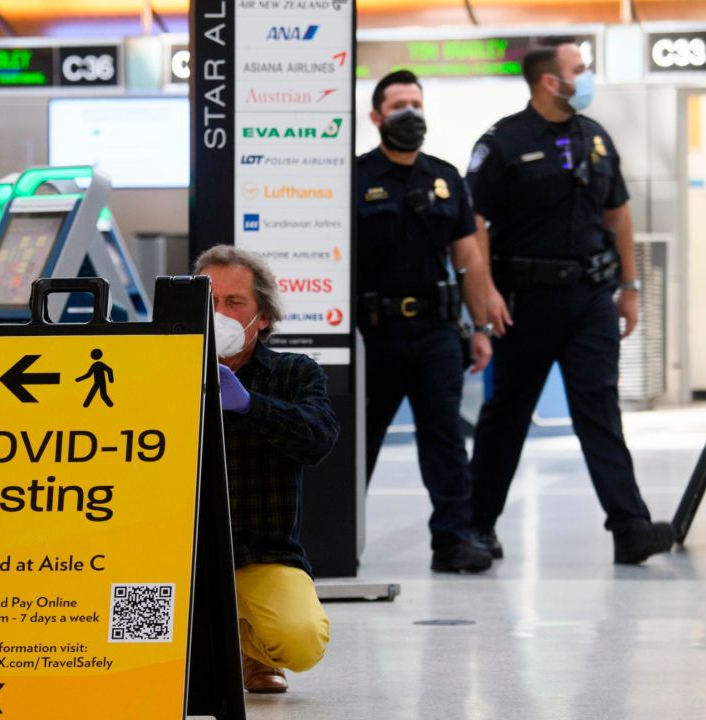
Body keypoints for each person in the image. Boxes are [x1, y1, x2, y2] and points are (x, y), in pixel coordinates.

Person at [465, 38, 676, 564]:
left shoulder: (596, 137)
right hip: (524, 302)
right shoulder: (503, 143)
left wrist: (629, 288)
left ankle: (630, 528)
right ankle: (475, 528)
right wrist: (485, 289)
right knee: (506, 417)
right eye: (579, 69)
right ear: (549, 82)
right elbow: (474, 221)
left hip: (590, 299)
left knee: (600, 412)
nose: (587, 77)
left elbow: (619, 213)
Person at [356, 70, 496, 573]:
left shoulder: (446, 177)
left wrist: (479, 329)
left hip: (438, 332)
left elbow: (469, 259)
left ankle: (454, 540)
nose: (410, 113)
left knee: (444, 440)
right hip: (374, 334)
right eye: (398, 105)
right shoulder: (355, 178)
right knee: (359, 441)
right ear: (377, 117)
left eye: (416, 102)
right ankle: (339, 540)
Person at [196, 245, 339, 694]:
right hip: (175, 554)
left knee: (300, 642)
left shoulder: (293, 373)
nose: (219, 314)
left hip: (258, 553)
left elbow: (318, 437)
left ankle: (253, 651)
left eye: (234, 303)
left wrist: (251, 405)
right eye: (209, 302)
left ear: (263, 318)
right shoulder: (156, 369)